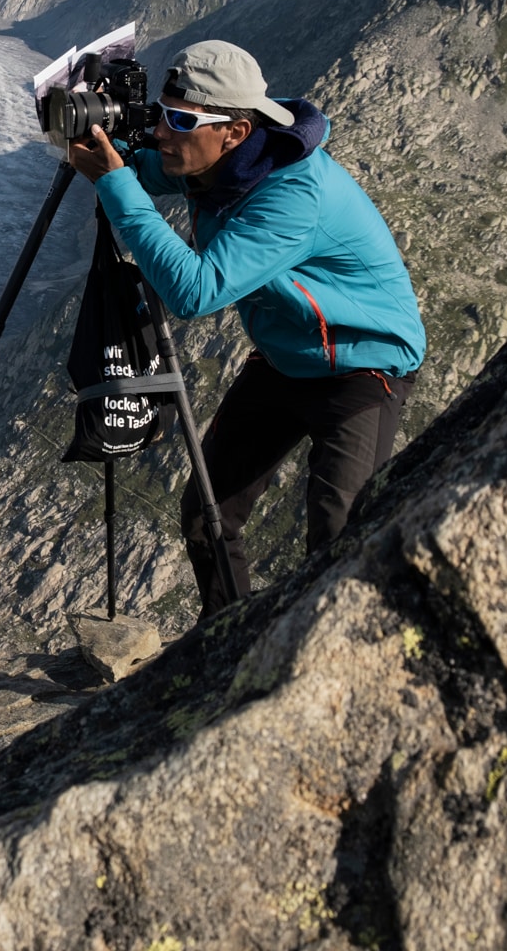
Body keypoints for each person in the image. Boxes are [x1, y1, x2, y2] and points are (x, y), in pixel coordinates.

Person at [66, 39, 426, 619]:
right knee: (207, 519)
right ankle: (227, 647)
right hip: (286, 357)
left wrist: (114, 183)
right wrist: (106, 145)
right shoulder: (224, 160)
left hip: (362, 368)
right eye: (162, 114)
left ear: (233, 130)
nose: (162, 131)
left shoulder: (291, 195)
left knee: (338, 540)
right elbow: (155, 166)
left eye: (179, 121)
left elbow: (195, 291)